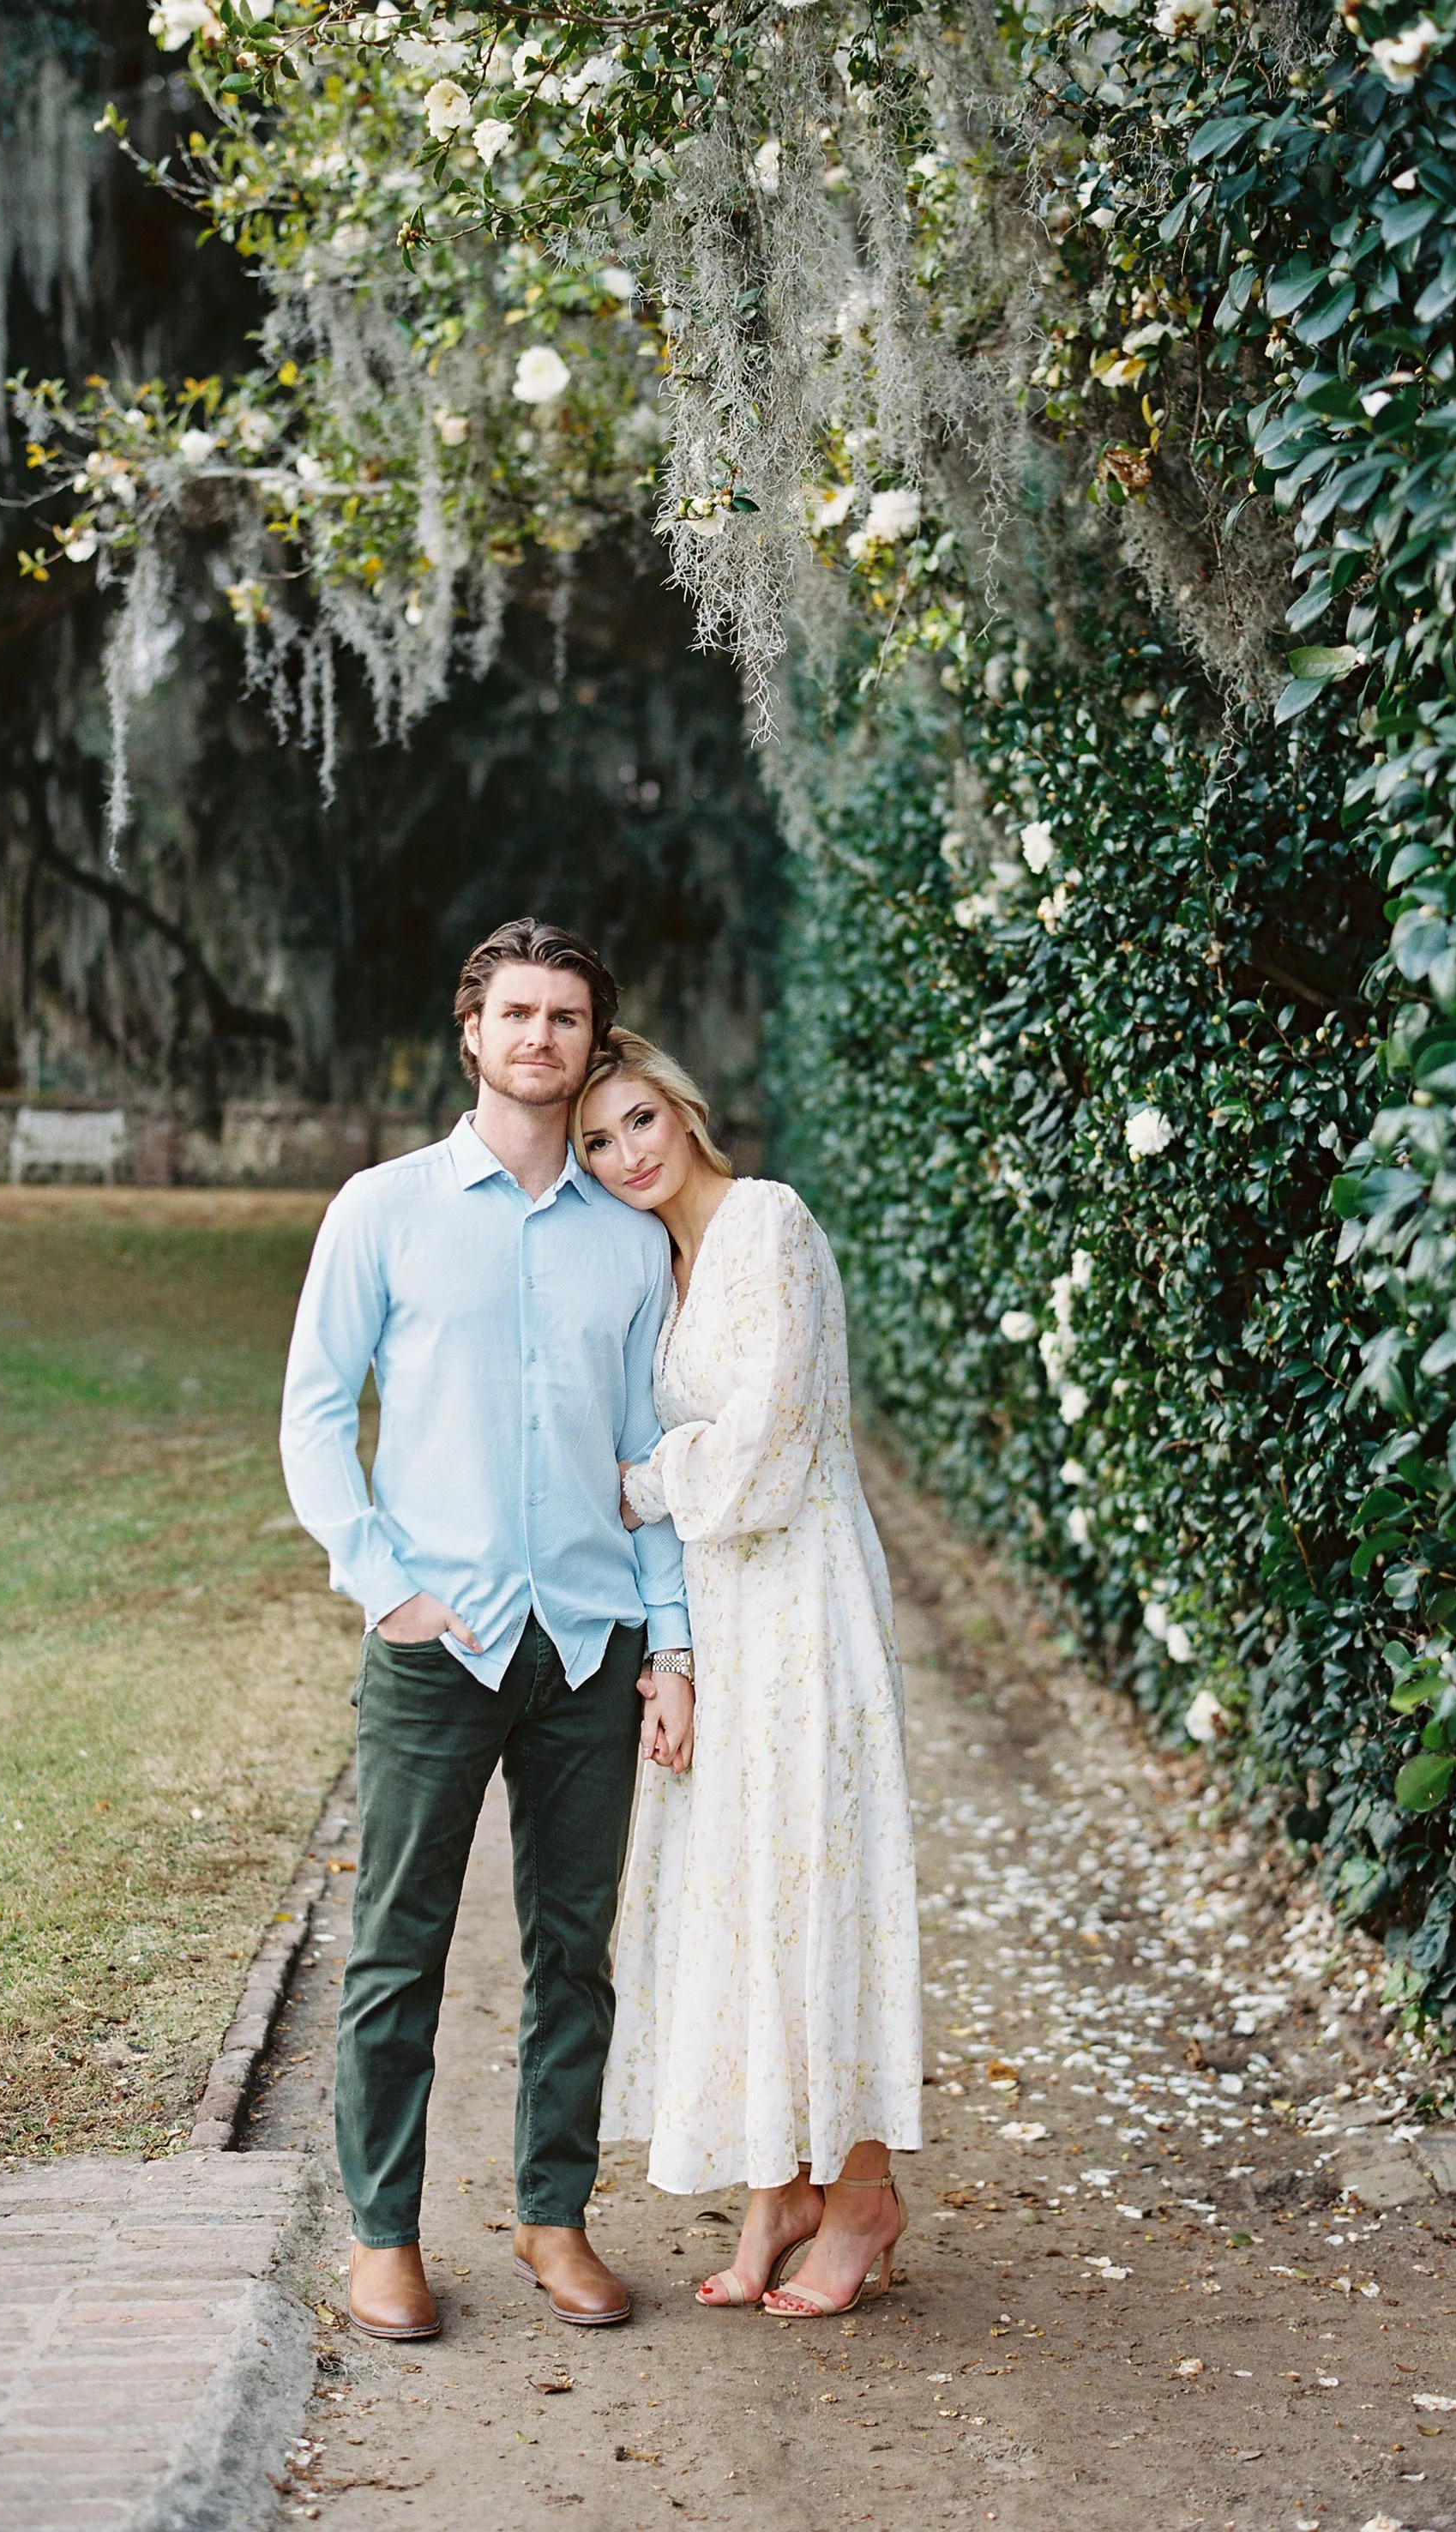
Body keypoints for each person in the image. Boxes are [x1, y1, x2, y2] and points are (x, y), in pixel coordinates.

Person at [280, 922, 697, 2342]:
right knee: (398, 1946)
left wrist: (674, 1641)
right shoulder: (381, 1210)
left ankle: (551, 2218)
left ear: (593, 1043)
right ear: (472, 1033)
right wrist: (380, 1581)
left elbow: (651, 1461)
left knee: (573, 1951)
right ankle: (384, 2236)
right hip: (434, 1643)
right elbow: (315, 1415)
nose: (540, 1037)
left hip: (590, 1647)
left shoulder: (630, 1244)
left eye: (567, 1017)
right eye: (516, 1013)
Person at [576, 1030, 922, 2318]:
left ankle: (865, 2192)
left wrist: (630, 1487)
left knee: (816, 1879)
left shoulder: (770, 1223)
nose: (625, 1157)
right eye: (598, 1141)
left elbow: (766, 1447)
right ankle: (781, 2184)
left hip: (803, 1598)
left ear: (685, 1107)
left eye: (640, 1123)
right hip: (720, 1615)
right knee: (739, 1887)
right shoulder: (659, 1266)